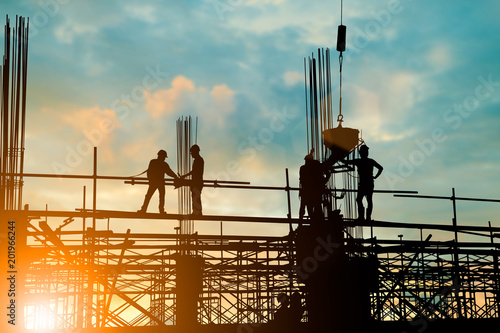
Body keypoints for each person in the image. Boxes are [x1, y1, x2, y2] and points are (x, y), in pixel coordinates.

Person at [341, 145, 383, 221]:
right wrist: (376, 176)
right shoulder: (370, 161)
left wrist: (341, 156)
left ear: (360, 153)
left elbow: (346, 162)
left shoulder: (359, 161)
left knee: (359, 199)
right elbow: (381, 168)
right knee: (368, 200)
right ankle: (368, 218)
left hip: (363, 184)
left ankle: (361, 217)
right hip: (369, 183)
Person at [138, 149, 179, 214]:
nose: (164, 158)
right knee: (160, 196)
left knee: (150, 196)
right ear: (161, 156)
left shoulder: (154, 162)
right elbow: (169, 172)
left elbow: (149, 172)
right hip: (159, 182)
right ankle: (160, 210)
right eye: (164, 157)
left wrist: (150, 180)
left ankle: (144, 209)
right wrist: (176, 177)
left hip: (155, 182)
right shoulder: (161, 163)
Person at [298, 149, 325, 221]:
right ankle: (315, 222)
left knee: (310, 208)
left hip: (307, 192)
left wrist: (311, 153)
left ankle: (313, 221)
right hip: (313, 192)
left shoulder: (304, 168)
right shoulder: (312, 168)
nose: (306, 162)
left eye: (306, 160)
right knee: (313, 207)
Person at [180, 144, 204, 215]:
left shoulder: (199, 160)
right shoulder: (198, 160)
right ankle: (196, 212)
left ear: (195, 152)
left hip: (197, 182)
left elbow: (194, 171)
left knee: (196, 197)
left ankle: (197, 212)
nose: (191, 154)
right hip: (196, 182)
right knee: (195, 197)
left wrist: (184, 176)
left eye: (191, 153)